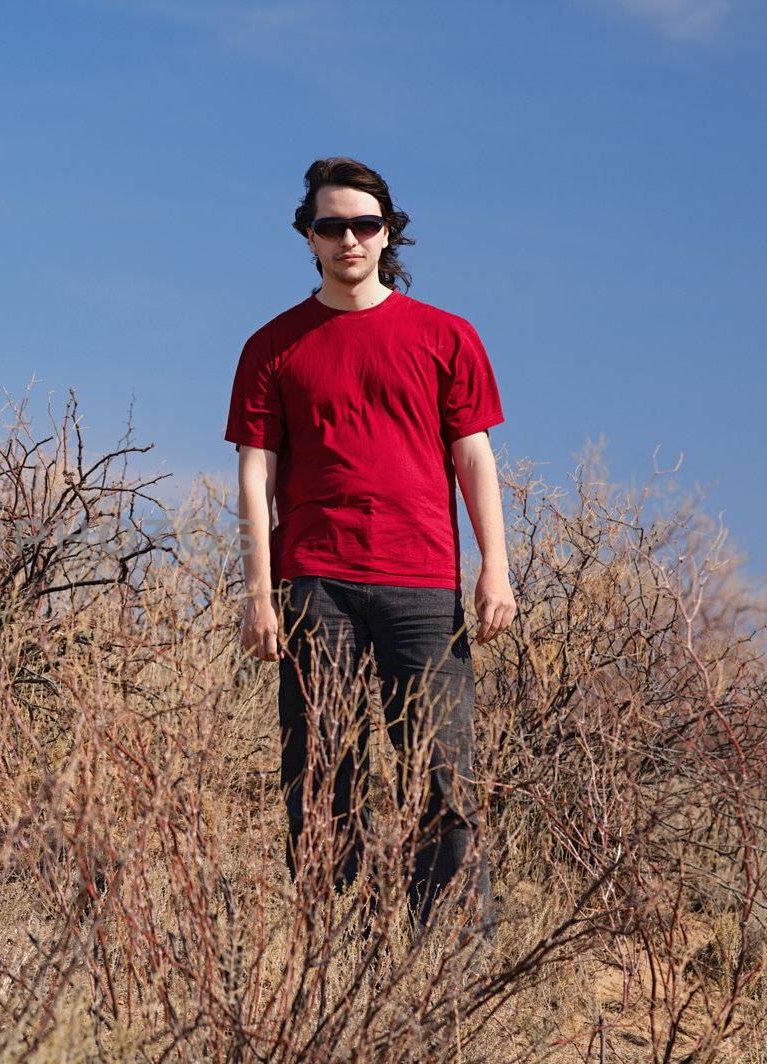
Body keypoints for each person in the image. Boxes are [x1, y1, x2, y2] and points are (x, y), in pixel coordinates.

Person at [223, 156, 515, 937]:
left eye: (364, 224)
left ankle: (450, 959)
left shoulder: (447, 336)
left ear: (388, 234)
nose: (349, 238)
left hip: (422, 584)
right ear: (308, 238)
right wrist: (257, 594)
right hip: (315, 585)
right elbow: (255, 476)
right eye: (331, 225)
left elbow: (474, 457)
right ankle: (339, 951)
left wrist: (497, 567)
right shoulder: (272, 345)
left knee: (443, 771)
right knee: (321, 773)